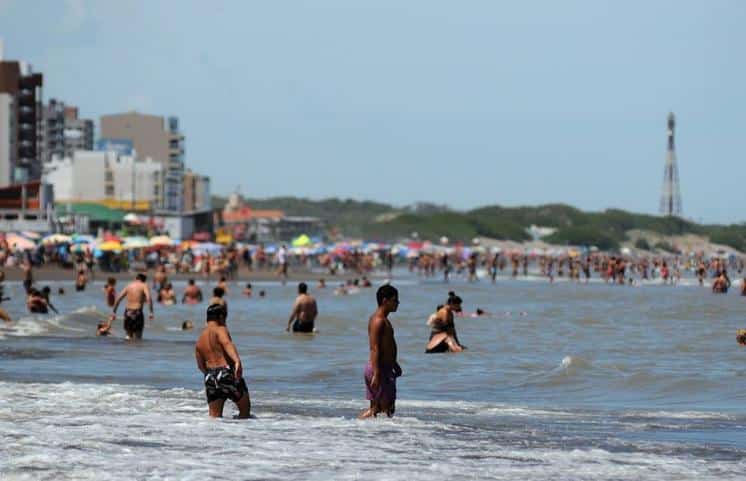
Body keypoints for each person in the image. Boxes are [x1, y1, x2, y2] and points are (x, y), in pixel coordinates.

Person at [195, 303, 251, 418]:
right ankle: (243, 435)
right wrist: (237, 361)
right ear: (220, 317)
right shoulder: (220, 330)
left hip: (210, 377)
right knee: (245, 411)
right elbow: (226, 343)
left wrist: (211, 375)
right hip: (226, 372)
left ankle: (218, 435)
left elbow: (200, 365)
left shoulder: (200, 339)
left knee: (214, 418)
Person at [360, 284, 402, 419]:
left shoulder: (384, 320)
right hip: (379, 369)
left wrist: (395, 364)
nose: (398, 303)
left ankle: (356, 431)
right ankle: (350, 429)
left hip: (384, 368)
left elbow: (387, 346)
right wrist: (377, 373)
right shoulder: (378, 321)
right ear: (385, 301)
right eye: (395, 300)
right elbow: (375, 347)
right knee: (384, 410)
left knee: (378, 410)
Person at [108, 273, 154, 340]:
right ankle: (136, 350)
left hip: (128, 312)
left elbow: (118, 299)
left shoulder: (129, 286)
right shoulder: (144, 285)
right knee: (138, 336)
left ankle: (128, 349)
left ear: (136, 278)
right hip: (137, 312)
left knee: (128, 335)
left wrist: (113, 312)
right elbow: (149, 298)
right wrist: (151, 312)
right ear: (144, 280)